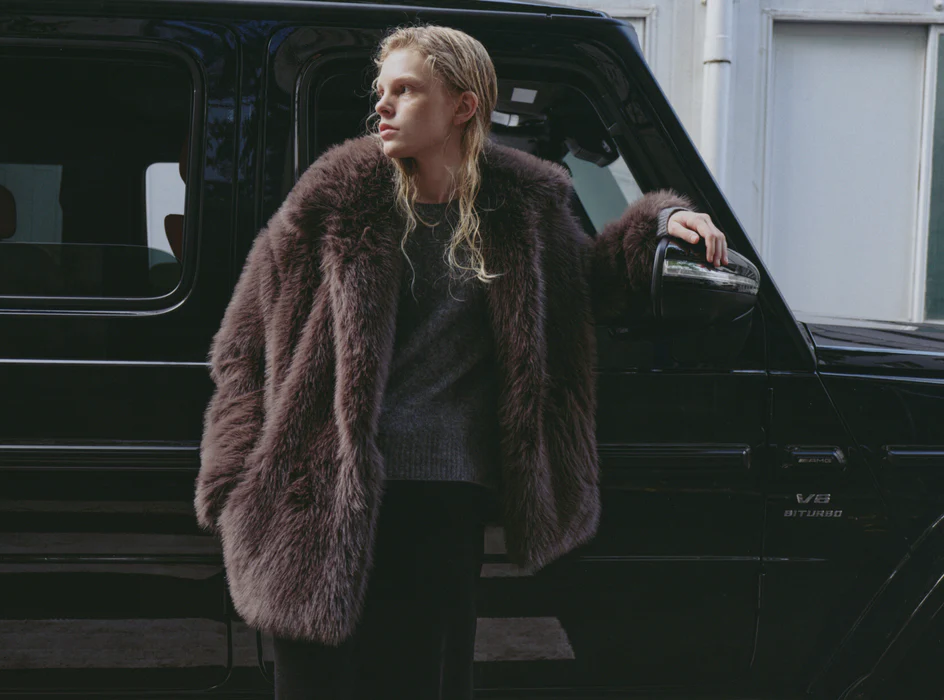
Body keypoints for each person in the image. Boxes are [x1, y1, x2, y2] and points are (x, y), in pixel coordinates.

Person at [193, 24, 728, 700]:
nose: (383, 104)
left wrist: (660, 223)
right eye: (381, 90)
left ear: (463, 105)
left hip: (443, 501)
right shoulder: (334, 195)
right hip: (314, 494)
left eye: (406, 90)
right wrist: (231, 479)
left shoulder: (524, 207)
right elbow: (241, 349)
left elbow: (594, 283)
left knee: (420, 681)